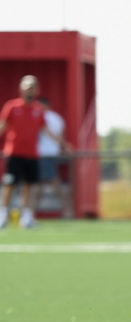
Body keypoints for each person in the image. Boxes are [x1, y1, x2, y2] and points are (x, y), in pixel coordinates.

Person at [0, 76, 69, 229]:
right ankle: (3, 215)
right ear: (21, 89)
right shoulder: (12, 107)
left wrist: (63, 144)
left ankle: (26, 217)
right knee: (10, 184)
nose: (29, 91)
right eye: (27, 88)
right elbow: (3, 126)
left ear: (37, 90)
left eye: (32, 88)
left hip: (32, 154)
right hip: (14, 153)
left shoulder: (38, 109)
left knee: (29, 185)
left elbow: (46, 130)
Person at [37, 98, 72, 218]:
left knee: (51, 181)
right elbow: (62, 134)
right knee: (42, 181)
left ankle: (67, 209)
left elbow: (49, 133)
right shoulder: (58, 118)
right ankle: (31, 210)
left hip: (44, 153)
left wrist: (64, 145)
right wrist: (63, 145)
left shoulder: (43, 117)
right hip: (53, 152)